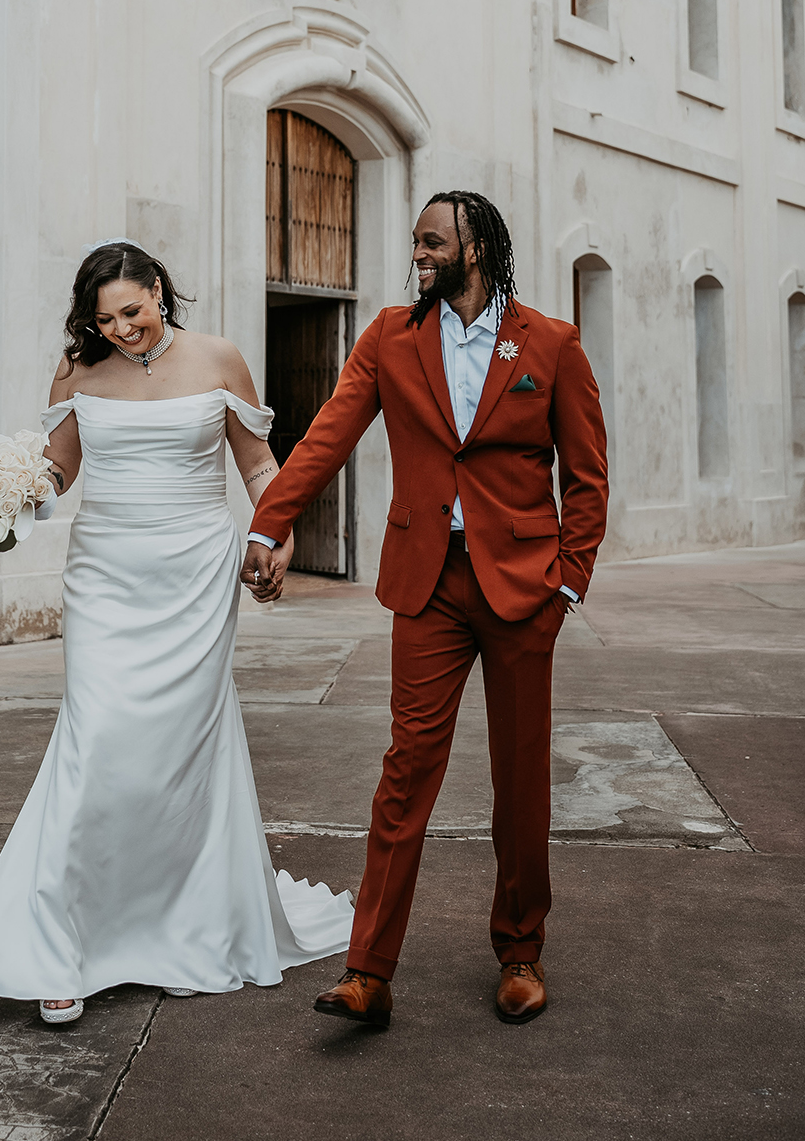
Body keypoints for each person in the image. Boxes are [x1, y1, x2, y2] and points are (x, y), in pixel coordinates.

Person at [0, 239, 352, 1022]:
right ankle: (60, 946)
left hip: (196, 570)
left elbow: (259, 466)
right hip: (106, 575)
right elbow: (58, 471)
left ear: (159, 289)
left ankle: (183, 930)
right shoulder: (76, 370)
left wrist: (278, 530)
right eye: (106, 319)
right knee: (96, 745)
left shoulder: (219, 358)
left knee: (181, 751)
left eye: (131, 311)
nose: (122, 330)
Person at [242, 192, 608, 1028]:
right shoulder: (391, 337)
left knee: (520, 781)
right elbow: (331, 431)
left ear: (477, 246)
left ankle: (521, 951)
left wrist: (567, 584)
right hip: (427, 584)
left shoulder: (550, 343)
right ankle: (368, 970)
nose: (421, 253)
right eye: (415, 241)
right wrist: (271, 521)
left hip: (523, 588)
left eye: (434, 240)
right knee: (406, 770)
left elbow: (587, 475)